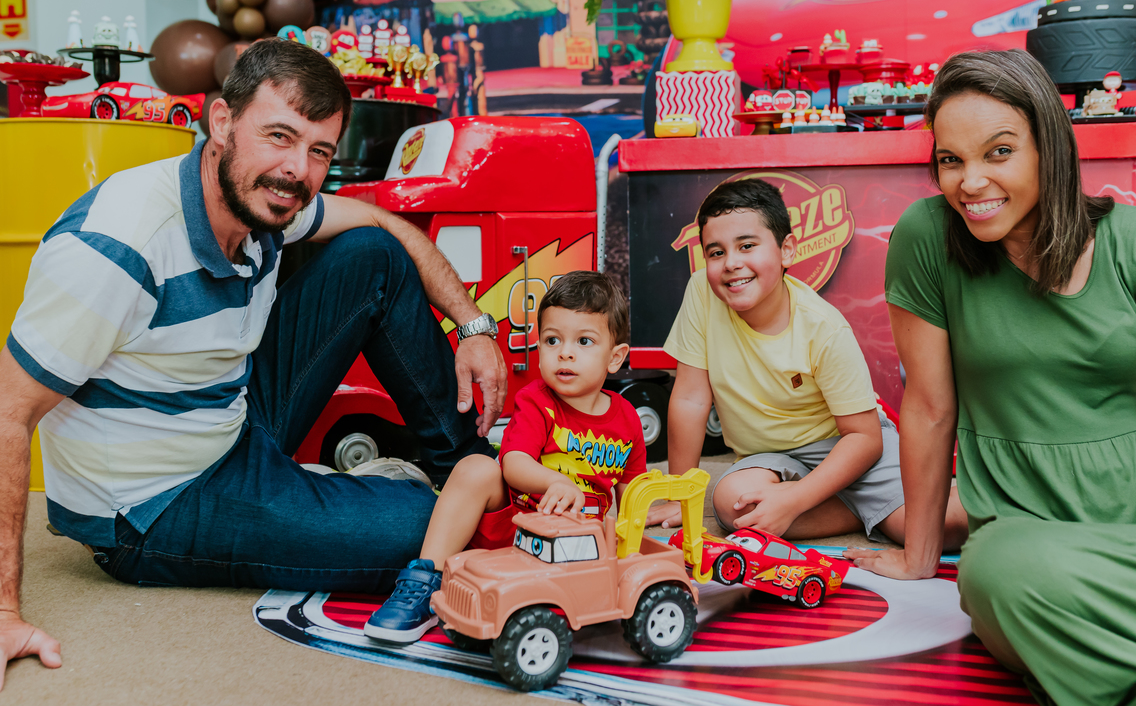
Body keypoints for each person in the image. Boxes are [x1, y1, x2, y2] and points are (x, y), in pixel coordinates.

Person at [0, 39, 507, 687]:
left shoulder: (268, 202)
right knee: (423, 530)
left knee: (372, 257)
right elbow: (8, 412)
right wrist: (3, 610)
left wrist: (475, 324)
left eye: (319, 151)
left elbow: (385, 223)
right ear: (220, 124)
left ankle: (471, 472)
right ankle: (423, 502)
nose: (296, 168)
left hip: (231, 415)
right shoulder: (117, 244)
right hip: (157, 500)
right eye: (279, 135)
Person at [847, 48, 1136, 704]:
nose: (969, 182)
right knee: (997, 575)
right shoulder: (928, 236)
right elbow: (926, 406)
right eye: (950, 159)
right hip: (1030, 534)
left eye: (998, 152)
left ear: (1049, 149)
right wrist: (921, 554)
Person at [646, 179, 969, 545]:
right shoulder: (702, 291)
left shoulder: (824, 328)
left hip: (847, 446)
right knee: (733, 506)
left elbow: (864, 439)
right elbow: (690, 399)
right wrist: (679, 494)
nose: (731, 264)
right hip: (772, 458)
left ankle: (865, 503)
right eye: (715, 252)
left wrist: (797, 499)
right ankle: (856, 509)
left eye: (747, 246)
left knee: (942, 527)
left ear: (786, 251)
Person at [362, 271, 647, 642]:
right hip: (517, 527)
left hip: (583, 545)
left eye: (584, 341)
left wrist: (649, 512)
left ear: (615, 357)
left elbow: (631, 488)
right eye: (552, 340)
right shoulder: (537, 401)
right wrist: (556, 481)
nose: (565, 352)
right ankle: (425, 580)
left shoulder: (627, 418)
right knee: (477, 468)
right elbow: (514, 464)